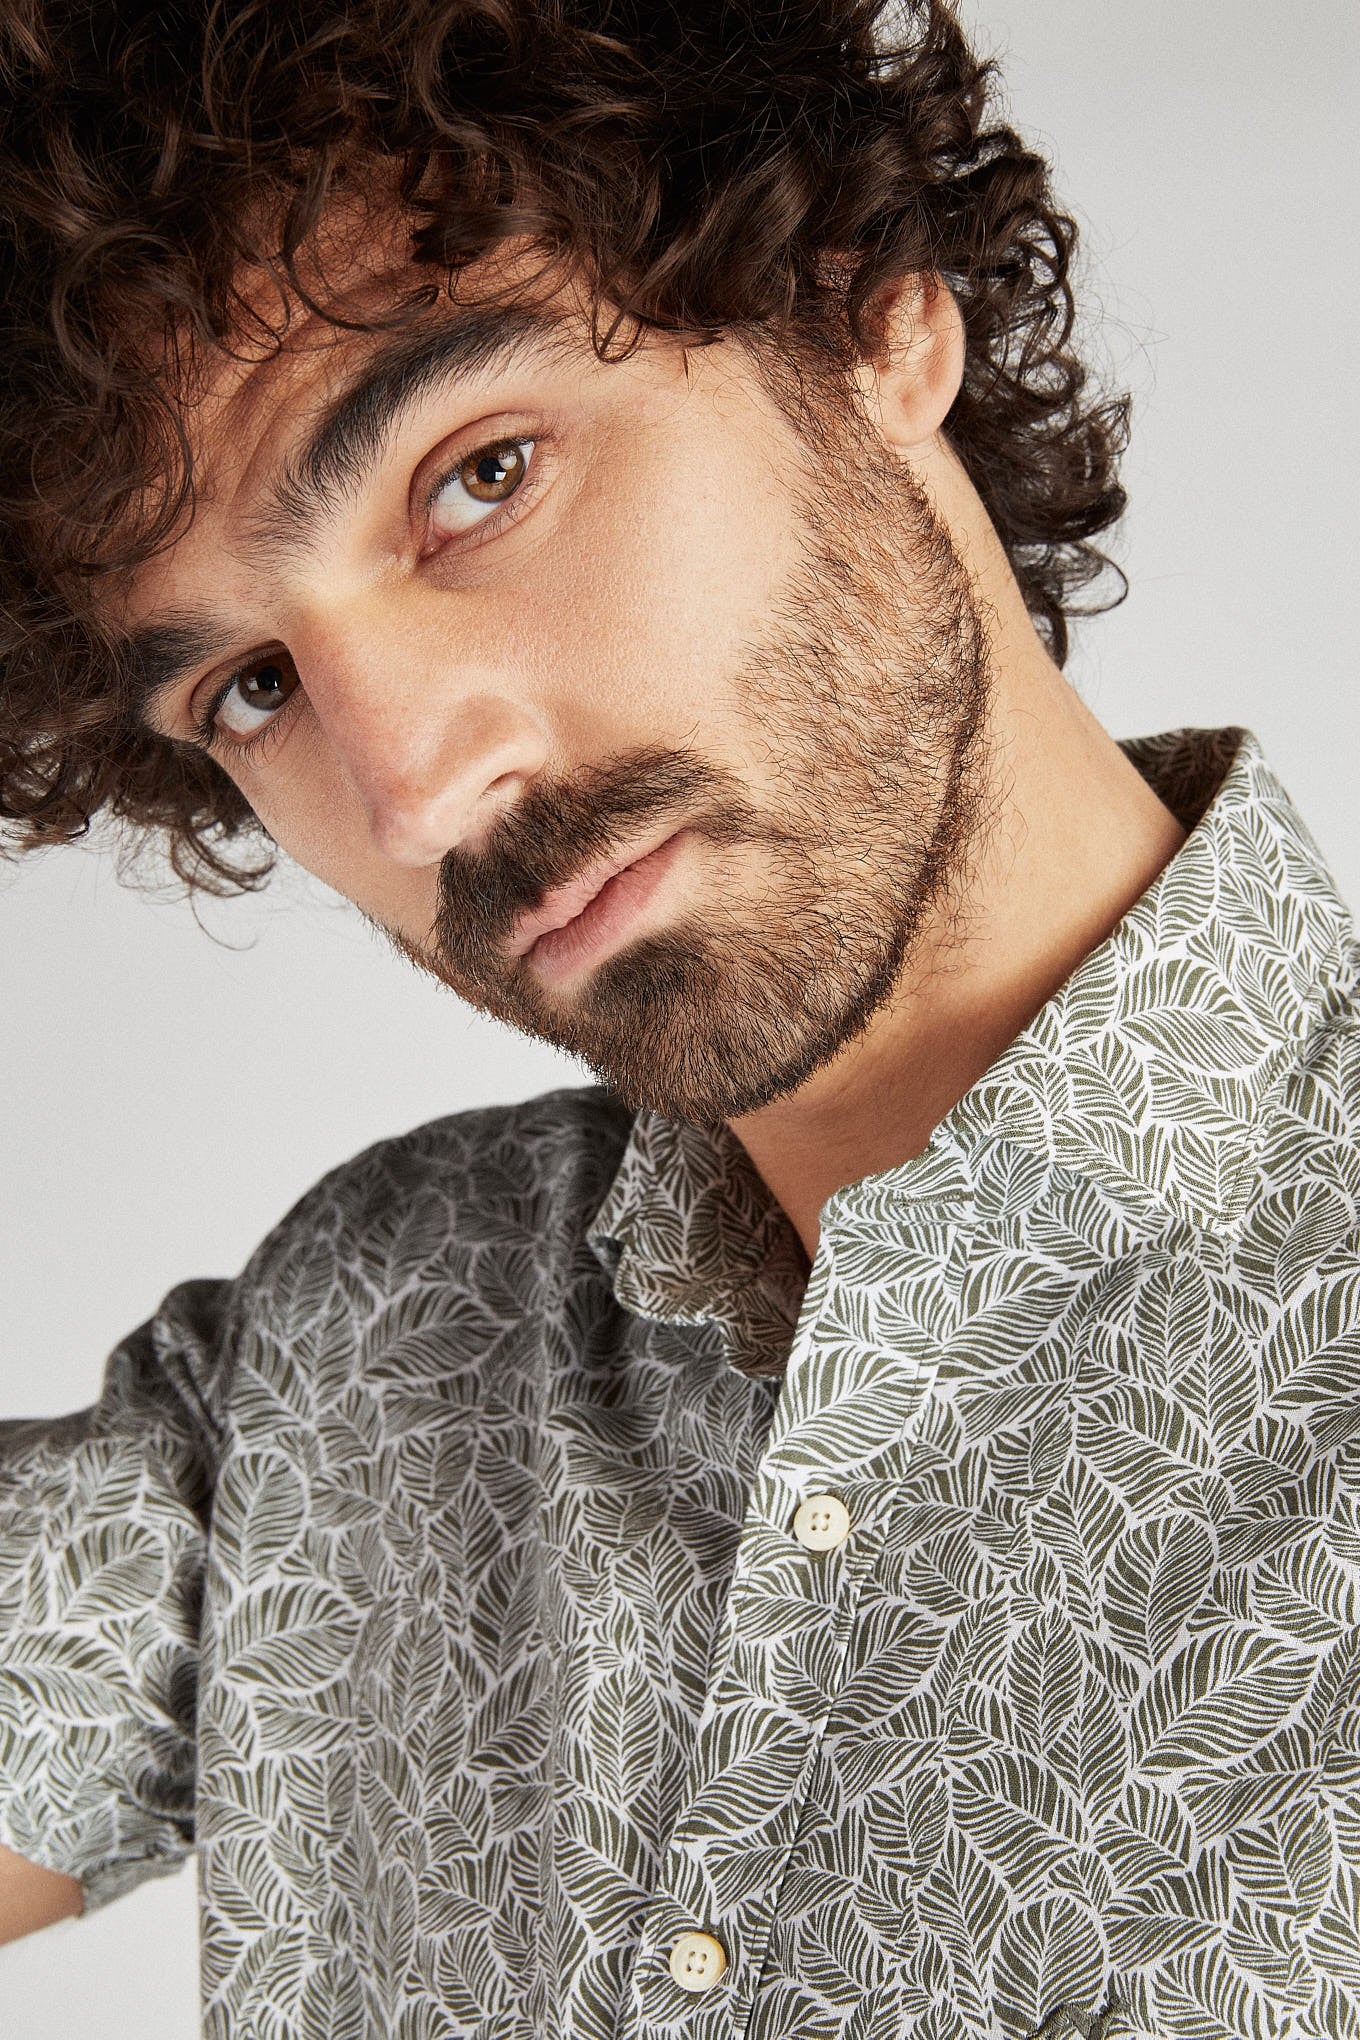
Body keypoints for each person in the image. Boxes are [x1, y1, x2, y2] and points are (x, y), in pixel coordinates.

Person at [1, 0, 1357, 2035]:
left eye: (480, 478)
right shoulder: (364, 1341)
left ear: (864, 315)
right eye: (254, 688)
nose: (413, 792)